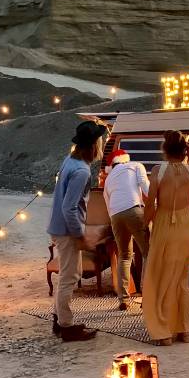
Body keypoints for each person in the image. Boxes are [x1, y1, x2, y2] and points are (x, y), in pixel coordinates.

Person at [142, 131, 189, 346]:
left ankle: (163, 331)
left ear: (164, 149)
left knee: (159, 277)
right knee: (181, 279)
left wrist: (143, 225)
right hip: (185, 225)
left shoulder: (159, 171)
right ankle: (184, 330)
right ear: (184, 150)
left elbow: (150, 203)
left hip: (164, 224)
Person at [47, 120, 107, 342]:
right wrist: (79, 235)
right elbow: (69, 208)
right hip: (67, 230)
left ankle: (60, 318)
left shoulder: (69, 161)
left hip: (60, 227)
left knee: (70, 274)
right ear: (92, 146)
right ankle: (66, 326)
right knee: (69, 277)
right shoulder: (81, 171)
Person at [102, 148, 150, 311]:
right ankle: (147, 296)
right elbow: (145, 187)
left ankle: (123, 299)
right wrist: (157, 203)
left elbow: (108, 203)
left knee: (124, 256)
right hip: (134, 210)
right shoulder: (136, 166)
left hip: (115, 216)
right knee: (147, 253)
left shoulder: (108, 179)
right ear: (125, 159)